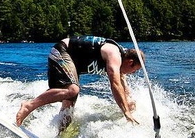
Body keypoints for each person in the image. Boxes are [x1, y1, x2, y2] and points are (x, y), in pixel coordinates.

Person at [16, 35, 145, 131]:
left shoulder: (121, 62)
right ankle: (29, 105)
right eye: (134, 70)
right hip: (62, 51)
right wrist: (125, 112)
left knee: (69, 110)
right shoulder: (114, 55)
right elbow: (115, 83)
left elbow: (122, 84)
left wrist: (129, 102)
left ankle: (58, 137)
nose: (132, 73)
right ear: (130, 62)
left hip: (73, 64)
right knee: (73, 90)